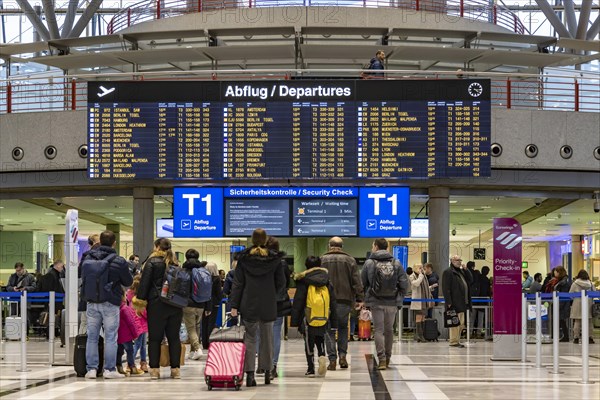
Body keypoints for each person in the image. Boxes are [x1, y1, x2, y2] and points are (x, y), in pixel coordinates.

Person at [229, 228, 286, 387]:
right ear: (265, 239)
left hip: (249, 304)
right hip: (268, 304)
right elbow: (281, 283)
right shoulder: (274, 260)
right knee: (268, 338)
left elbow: (238, 284)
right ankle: (268, 372)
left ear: (252, 240)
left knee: (250, 338)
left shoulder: (244, 260)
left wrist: (234, 305)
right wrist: (273, 296)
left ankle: (250, 375)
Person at [81, 230, 133, 379]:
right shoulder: (118, 260)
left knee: (92, 336)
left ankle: (91, 369)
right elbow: (128, 282)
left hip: (91, 302)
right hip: (111, 302)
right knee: (111, 336)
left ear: (100, 242)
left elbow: (82, 276)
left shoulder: (87, 258)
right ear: (114, 243)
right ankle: (109, 370)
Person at [134, 238, 184, 379]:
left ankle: (155, 370)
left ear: (156, 247)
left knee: (155, 338)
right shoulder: (176, 263)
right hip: (175, 305)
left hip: (157, 305)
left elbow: (144, 283)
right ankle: (175, 370)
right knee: (174, 338)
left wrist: (140, 302)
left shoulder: (152, 262)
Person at [361, 238, 409, 369]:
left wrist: (364, 299)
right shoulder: (396, 262)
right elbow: (405, 284)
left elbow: (362, 283)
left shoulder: (369, 263)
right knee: (389, 330)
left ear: (376, 247)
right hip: (392, 302)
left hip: (376, 302)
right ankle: (388, 358)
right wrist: (399, 298)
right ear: (387, 247)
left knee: (378, 330)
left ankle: (381, 358)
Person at [321, 236, 363, 371]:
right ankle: (343, 357)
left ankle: (332, 360)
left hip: (326, 300)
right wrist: (360, 298)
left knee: (329, 330)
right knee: (343, 328)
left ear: (329, 246)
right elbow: (356, 281)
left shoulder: (322, 259)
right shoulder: (350, 260)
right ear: (341, 247)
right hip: (345, 300)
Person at [291, 256, 337, 378]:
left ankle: (311, 368)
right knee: (320, 339)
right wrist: (334, 321)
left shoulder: (303, 281)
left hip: (308, 317)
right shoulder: (327, 280)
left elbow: (298, 302)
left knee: (308, 342)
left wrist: (294, 322)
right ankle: (322, 355)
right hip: (323, 316)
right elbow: (333, 302)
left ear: (306, 266)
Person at [266, 236, 292, 379]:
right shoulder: (282, 264)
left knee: (262, 333)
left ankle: (263, 364)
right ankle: (273, 366)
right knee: (276, 334)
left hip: (263, 302)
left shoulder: (261, 262)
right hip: (279, 302)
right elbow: (286, 282)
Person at [181, 248, 211, 361]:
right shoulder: (203, 271)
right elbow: (209, 290)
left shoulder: (184, 271)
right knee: (197, 326)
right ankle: (193, 351)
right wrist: (208, 306)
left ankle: (198, 349)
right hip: (201, 304)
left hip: (188, 303)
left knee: (191, 328)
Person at [442, 255, 472, 348]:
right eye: (457, 260)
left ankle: (457, 340)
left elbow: (471, 280)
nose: (459, 262)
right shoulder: (448, 272)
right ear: (452, 261)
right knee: (455, 323)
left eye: (460, 260)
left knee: (461, 323)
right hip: (454, 302)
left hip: (463, 302)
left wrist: (466, 270)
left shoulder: (461, 271)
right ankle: (453, 341)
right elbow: (446, 288)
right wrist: (449, 302)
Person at [116, 295, 144, 377]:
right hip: (126, 336)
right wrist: (135, 333)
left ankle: (119, 367)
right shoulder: (125, 308)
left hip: (118, 335)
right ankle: (132, 368)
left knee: (119, 352)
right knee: (130, 351)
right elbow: (131, 322)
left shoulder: (115, 308)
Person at [78, 234, 100, 335]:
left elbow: (80, 272)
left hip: (88, 293)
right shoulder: (109, 255)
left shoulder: (86, 256)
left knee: (85, 321)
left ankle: (82, 346)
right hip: (101, 294)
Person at [126, 275, 148, 373]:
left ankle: (143, 363)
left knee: (141, 344)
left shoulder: (130, 299)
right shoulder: (139, 301)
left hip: (135, 325)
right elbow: (144, 313)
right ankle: (130, 363)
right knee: (139, 345)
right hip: (142, 325)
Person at [201, 262, 223, 351]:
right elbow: (218, 293)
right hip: (214, 304)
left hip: (204, 303)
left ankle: (204, 343)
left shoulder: (203, 278)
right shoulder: (217, 279)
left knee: (204, 323)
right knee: (211, 323)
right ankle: (210, 342)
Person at [408, 263, 433, 342]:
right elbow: (416, 284)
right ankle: (420, 335)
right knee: (418, 318)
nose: (422, 269)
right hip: (418, 300)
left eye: (422, 268)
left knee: (423, 318)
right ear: (415, 268)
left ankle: (422, 335)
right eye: (420, 267)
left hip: (424, 300)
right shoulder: (412, 276)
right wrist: (421, 276)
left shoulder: (423, 276)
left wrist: (430, 288)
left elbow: (424, 286)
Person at [569, 270, 594, 344]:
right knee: (589, 321)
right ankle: (590, 338)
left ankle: (576, 338)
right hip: (588, 303)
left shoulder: (575, 283)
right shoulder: (590, 283)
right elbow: (594, 292)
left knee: (577, 321)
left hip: (577, 303)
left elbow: (570, 294)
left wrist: (575, 299)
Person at [552, 266, 571, 342]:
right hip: (561, 303)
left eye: (556, 271)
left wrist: (558, 306)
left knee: (562, 320)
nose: (554, 273)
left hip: (562, 304)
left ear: (559, 272)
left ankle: (565, 336)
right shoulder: (561, 281)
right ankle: (564, 336)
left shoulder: (563, 282)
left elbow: (563, 294)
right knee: (561, 321)